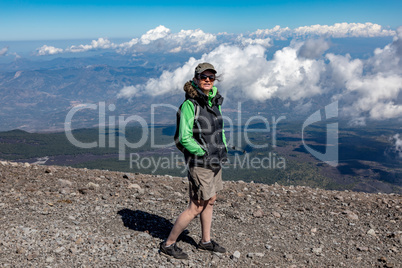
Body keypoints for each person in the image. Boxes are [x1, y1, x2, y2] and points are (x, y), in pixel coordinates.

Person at [160, 63, 228, 259]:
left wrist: (223, 147)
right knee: (196, 205)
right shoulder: (191, 105)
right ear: (196, 78)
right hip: (200, 162)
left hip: (215, 159)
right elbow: (184, 137)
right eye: (203, 76)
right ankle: (169, 243)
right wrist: (203, 152)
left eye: (211, 77)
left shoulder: (213, 101)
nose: (207, 80)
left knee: (211, 199)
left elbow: (219, 129)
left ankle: (205, 241)